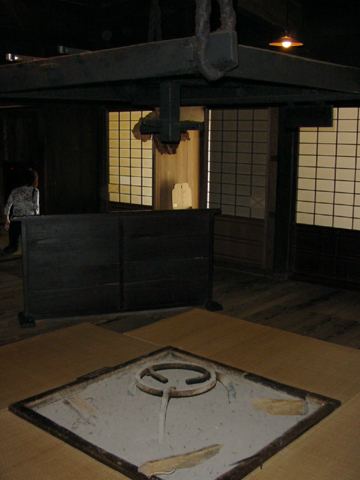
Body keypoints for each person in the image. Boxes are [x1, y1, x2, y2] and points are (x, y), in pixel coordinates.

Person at [3, 169, 40, 255]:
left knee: (13, 247)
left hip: (16, 221)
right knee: (30, 246)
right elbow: (36, 208)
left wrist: (7, 220)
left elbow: (7, 206)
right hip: (29, 222)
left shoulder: (15, 191)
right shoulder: (35, 191)